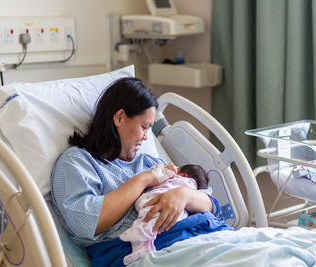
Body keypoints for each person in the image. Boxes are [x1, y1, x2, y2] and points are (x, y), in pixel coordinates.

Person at [50, 77, 232, 267]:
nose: (146, 138)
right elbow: (86, 222)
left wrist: (183, 195)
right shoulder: (77, 162)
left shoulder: (149, 162)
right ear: (119, 117)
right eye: (144, 127)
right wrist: (144, 179)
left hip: (202, 232)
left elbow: (213, 208)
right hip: (146, 249)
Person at [119, 163, 210, 265]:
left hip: (195, 225)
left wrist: (185, 194)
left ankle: (140, 240)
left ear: (183, 175)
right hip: (182, 227)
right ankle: (141, 241)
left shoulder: (175, 177)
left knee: (150, 219)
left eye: (177, 170)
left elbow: (212, 206)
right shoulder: (188, 184)